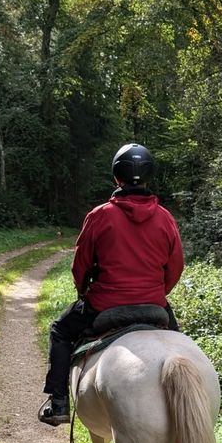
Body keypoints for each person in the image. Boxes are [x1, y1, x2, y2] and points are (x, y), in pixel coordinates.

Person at [38, 142, 184, 426]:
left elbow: (80, 265)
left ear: (117, 176)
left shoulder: (100, 215)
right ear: (150, 175)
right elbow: (175, 267)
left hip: (104, 304)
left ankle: (57, 403)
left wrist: (84, 292)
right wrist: (156, 294)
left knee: (60, 331)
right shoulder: (165, 218)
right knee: (180, 344)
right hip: (154, 305)